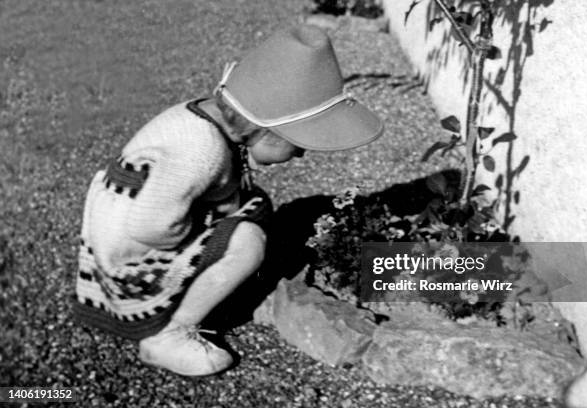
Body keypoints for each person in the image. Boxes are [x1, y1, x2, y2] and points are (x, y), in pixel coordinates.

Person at [73, 24, 384, 376]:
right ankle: (167, 336)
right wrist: (203, 231)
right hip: (130, 253)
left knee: (252, 206)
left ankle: (198, 286)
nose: (300, 155)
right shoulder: (201, 152)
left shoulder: (206, 119)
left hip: (126, 224)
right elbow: (148, 223)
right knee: (248, 242)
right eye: (298, 142)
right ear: (264, 129)